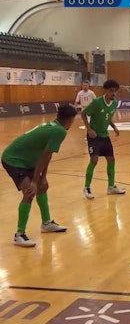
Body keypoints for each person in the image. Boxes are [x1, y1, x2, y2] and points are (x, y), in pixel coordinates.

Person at [1, 104, 78, 247]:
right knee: (29, 192)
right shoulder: (60, 131)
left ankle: (46, 223)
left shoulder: (54, 126)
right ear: (70, 119)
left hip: (28, 160)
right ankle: (19, 235)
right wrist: (35, 181)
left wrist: (43, 177)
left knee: (42, 188)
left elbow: (46, 154)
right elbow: (45, 155)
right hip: (13, 159)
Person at [81, 79, 126, 199]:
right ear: (105, 90)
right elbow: (83, 113)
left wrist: (114, 127)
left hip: (105, 135)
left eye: (115, 91)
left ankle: (111, 187)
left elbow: (107, 116)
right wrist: (89, 129)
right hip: (94, 136)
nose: (113, 93)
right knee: (94, 160)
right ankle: (87, 188)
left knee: (111, 160)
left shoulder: (115, 103)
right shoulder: (97, 102)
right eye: (111, 91)